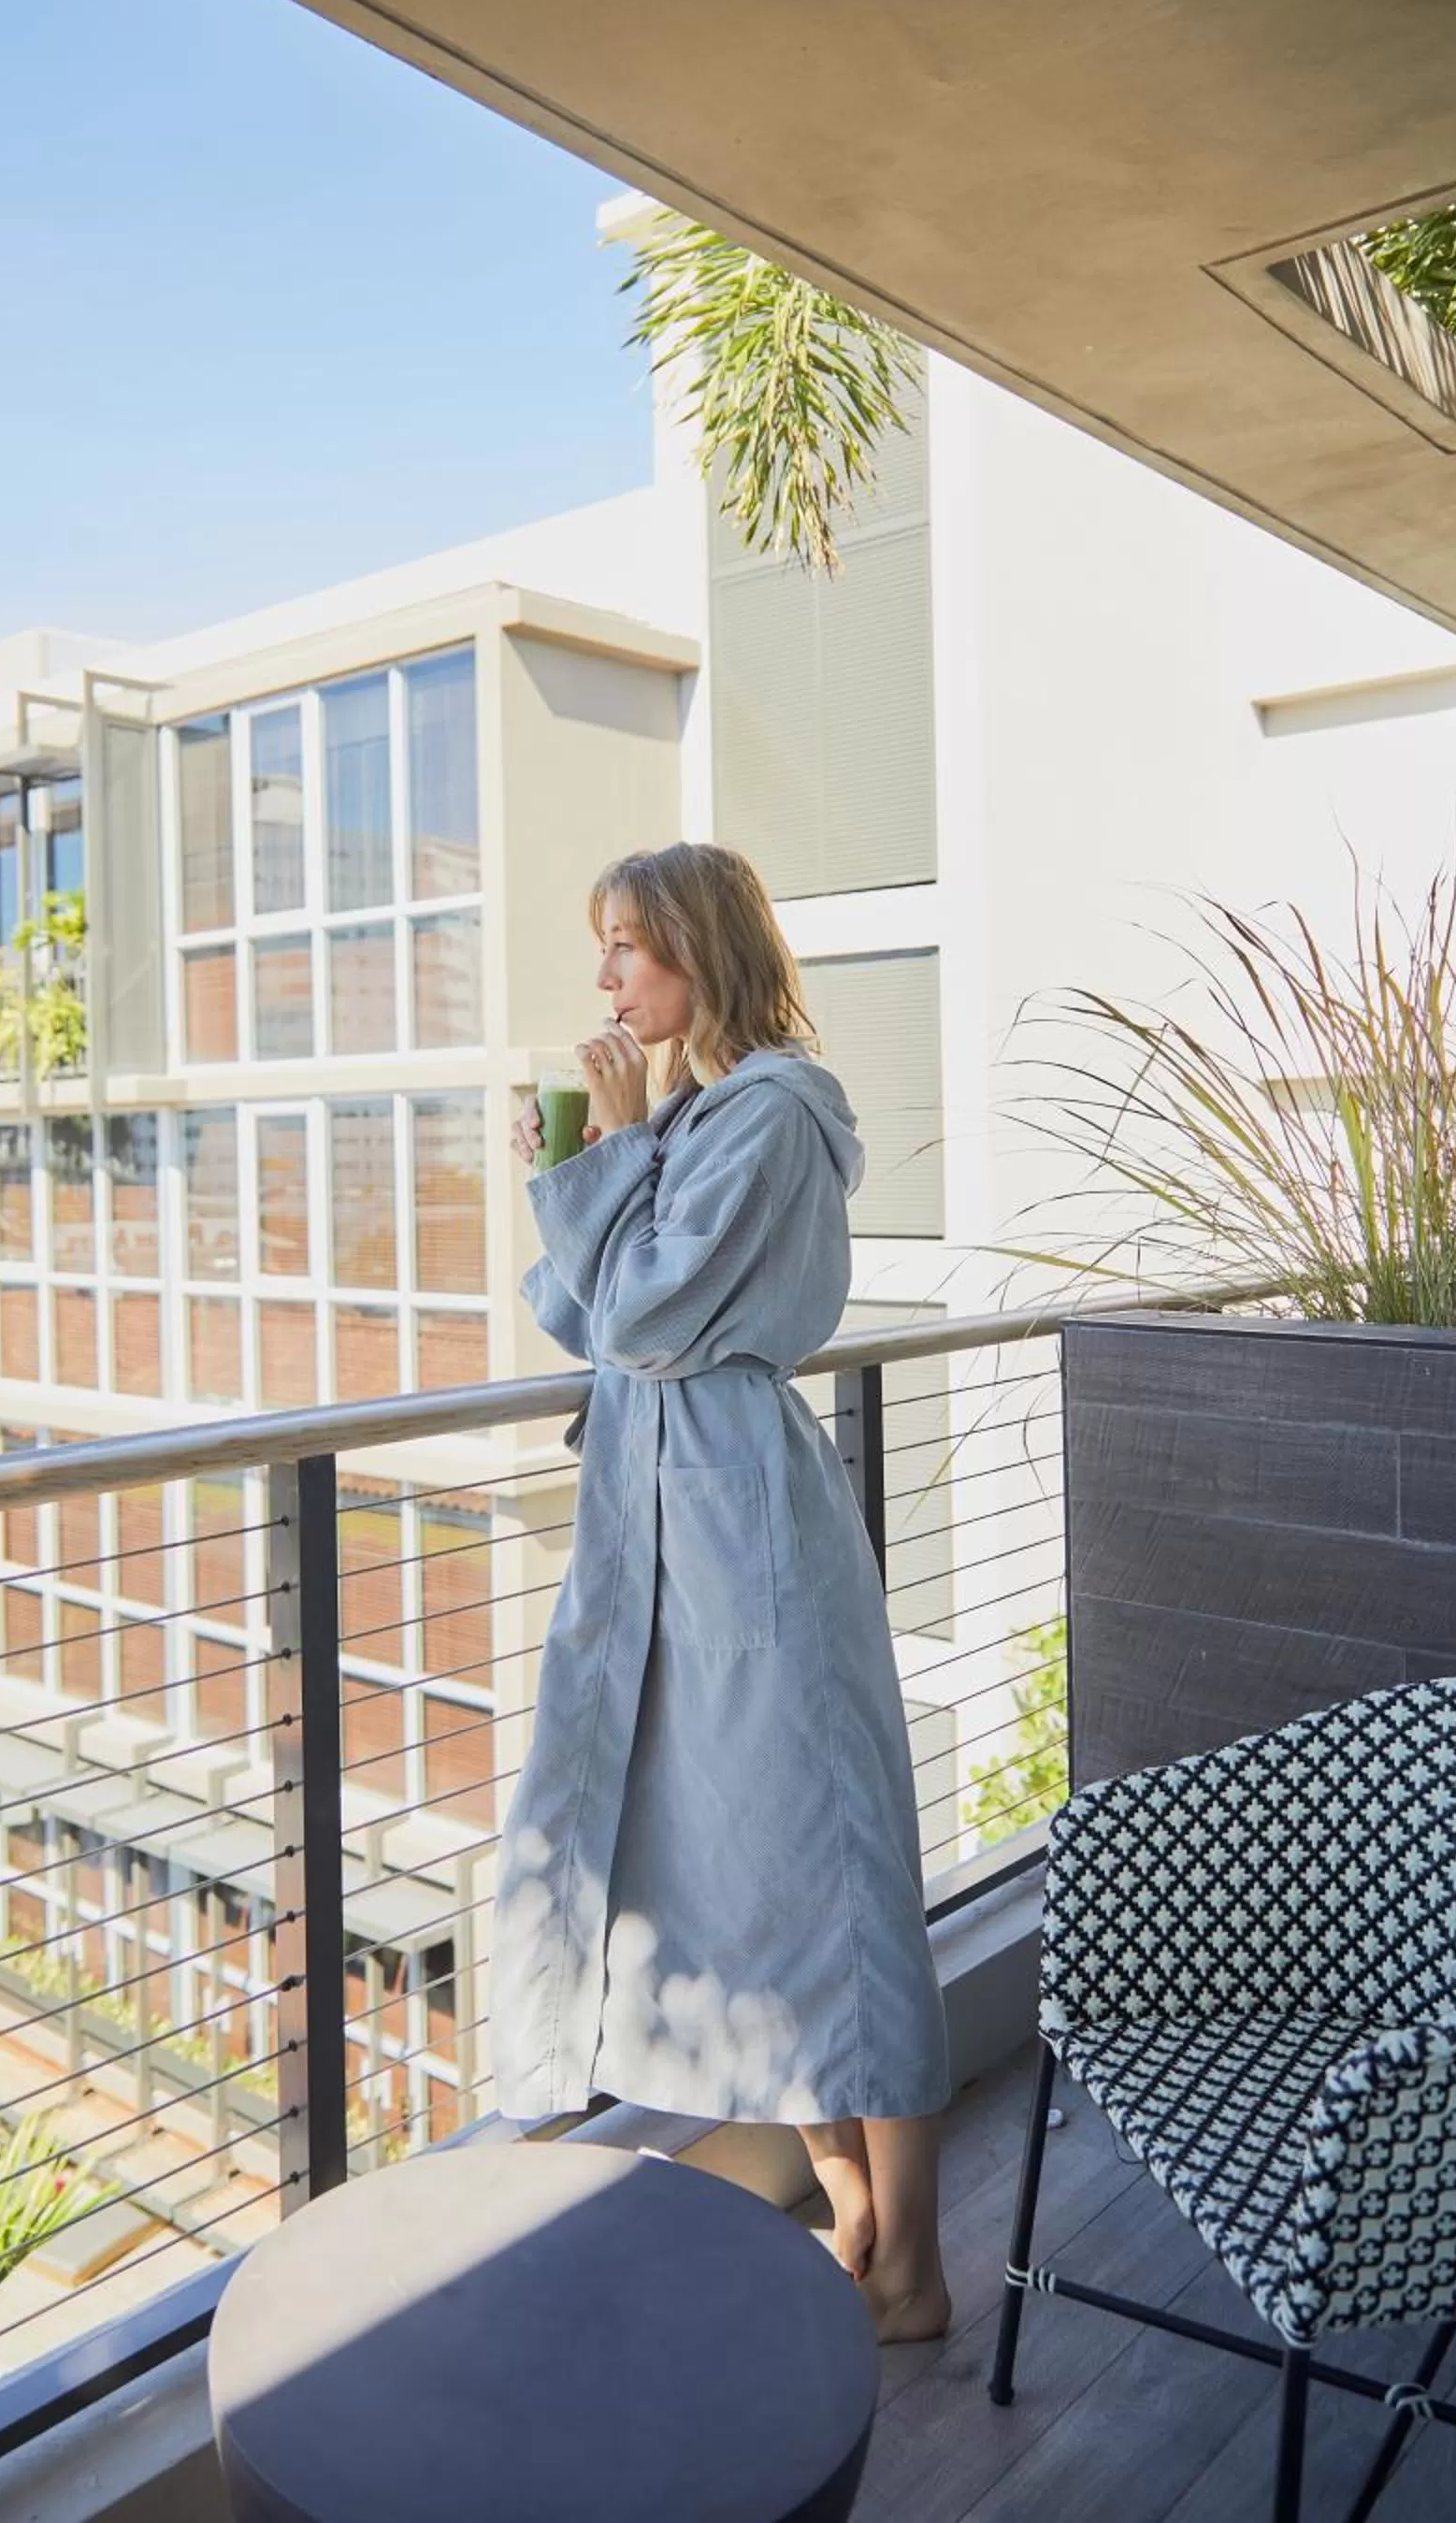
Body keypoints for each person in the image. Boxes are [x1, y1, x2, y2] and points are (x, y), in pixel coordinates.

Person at [494, 842, 951, 2341]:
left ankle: (919, 2265)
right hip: (661, 1531)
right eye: (606, 949)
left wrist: (615, 1157)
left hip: (747, 1522)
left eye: (630, 947)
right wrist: (570, 1170)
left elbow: (646, 1315)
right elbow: (576, 1312)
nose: (610, 979)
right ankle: (859, 2227)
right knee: (751, 1888)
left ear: (699, 950)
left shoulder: (770, 1115)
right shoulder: (684, 1114)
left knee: (832, 1870)